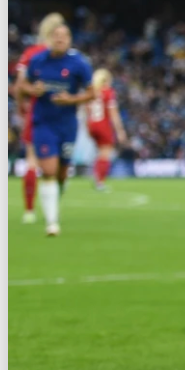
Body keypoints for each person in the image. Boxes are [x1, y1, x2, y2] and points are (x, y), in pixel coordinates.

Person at [15, 24, 93, 236]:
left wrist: (71, 99)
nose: (60, 39)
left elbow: (92, 93)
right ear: (50, 38)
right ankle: (52, 222)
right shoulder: (37, 61)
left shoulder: (79, 63)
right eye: (56, 36)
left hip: (67, 125)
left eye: (64, 36)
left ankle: (53, 202)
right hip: (43, 123)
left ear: (70, 39)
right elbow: (21, 86)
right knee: (48, 170)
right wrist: (32, 90)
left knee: (61, 173)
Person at [12, 12, 65, 223]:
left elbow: (19, 86)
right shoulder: (65, 55)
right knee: (59, 165)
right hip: (61, 117)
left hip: (37, 115)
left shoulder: (31, 53)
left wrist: (22, 108)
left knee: (32, 161)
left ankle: (29, 210)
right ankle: (52, 208)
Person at [86, 68, 127, 192]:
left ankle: (96, 175)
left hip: (92, 124)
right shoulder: (108, 92)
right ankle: (100, 181)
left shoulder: (93, 92)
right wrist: (120, 130)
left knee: (100, 153)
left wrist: (88, 127)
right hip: (103, 125)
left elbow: (86, 109)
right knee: (106, 154)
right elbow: (113, 113)